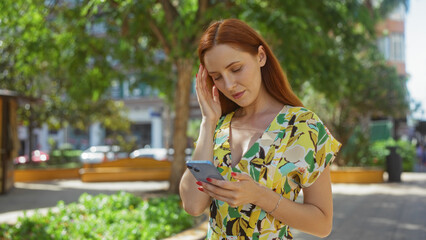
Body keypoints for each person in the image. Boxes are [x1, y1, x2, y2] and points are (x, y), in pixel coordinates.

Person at [179, 19, 342, 240]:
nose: (229, 85)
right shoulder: (216, 128)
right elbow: (193, 205)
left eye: (236, 69)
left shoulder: (304, 127)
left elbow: (323, 225)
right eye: (217, 77)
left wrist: (259, 196)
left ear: (261, 57)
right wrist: (208, 123)